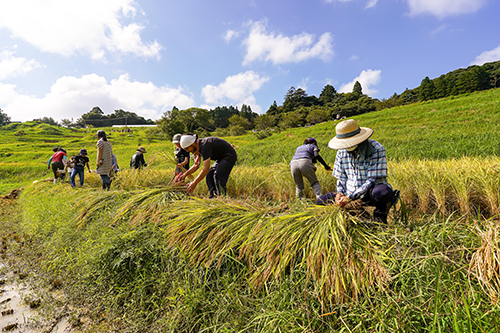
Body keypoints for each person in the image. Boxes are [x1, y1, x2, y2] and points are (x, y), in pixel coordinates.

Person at [316, 119, 397, 224]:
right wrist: (340, 194)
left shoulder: (376, 149)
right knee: (320, 201)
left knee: (382, 193)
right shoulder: (341, 152)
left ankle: (380, 218)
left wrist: (350, 197)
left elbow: (371, 180)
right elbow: (341, 178)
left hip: (369, 193)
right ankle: (357, 216)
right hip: (348, 192)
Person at [179, 133, 237, 198]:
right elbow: (196, 165)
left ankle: (222, 197)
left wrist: (194, 183)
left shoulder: (204, 146)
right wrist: (185, 174)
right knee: (209, 175)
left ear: (192, 144)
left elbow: (206, 168)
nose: (188, 151)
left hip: (229, 156)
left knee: (218, 175)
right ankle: (213, 197)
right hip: (220, 158)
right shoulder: (198, 147)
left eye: (187, 148)